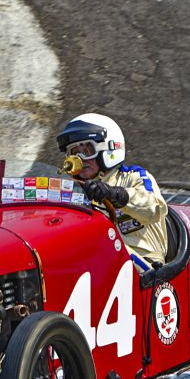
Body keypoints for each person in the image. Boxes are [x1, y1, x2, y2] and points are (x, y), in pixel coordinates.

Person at [56, 113, 169, 268]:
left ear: (109, 148)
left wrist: (115, 194)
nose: (80, 159)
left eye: (87, 150)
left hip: (144, 268)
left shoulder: (134, 177)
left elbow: (155, 209)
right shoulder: (72, 190)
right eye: (74, 153)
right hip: (98, 267)